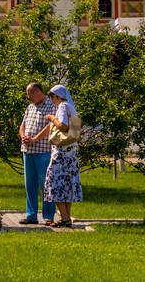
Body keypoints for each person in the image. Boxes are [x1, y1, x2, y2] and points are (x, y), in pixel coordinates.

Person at [43, 84, 82, 227]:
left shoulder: (62, 106)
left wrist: (52, 118)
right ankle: (66, 218)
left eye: (52, 96)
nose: (51, 99)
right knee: (67, 185)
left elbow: (63, 126)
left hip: (61, 153)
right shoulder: (71, 106)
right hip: (71, 152)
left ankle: (65, 218)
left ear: (59, 96)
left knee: (54, 182)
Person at [18, 82, 56, 225]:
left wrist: (34, 139)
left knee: (46, 183)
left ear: (38, 91)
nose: (28, 97)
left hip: (43, 151)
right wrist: (23, 137)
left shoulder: (51, 106)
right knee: (30, 185)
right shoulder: (30, 107)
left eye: (30, 93)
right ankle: (31, 215)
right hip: (28, 151)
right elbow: (23, 125)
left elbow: (50, 127)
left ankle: (48, 216)